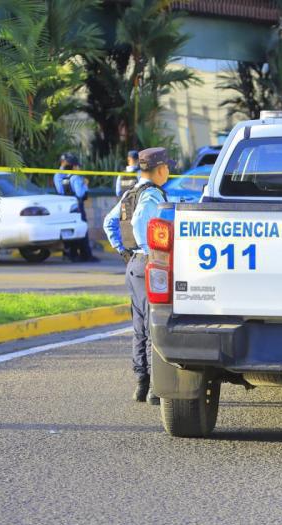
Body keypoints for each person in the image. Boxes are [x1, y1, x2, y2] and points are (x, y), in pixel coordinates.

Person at [103, 147, 171, 404]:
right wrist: (148, 249)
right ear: (160, 169)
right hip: (147, 263)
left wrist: (124, 250)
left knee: (139, 326)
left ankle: (141, 383)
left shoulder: (130, 193)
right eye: (168, 167)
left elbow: (109, 223)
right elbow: (140, 221)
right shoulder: (152, 195)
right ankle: (155, 388)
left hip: (133, 265)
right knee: (154, 324)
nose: (169, 172)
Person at [54, 153, 96, 262]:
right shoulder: (75, 177)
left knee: (69, 231)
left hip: (65, 206)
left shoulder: (58, 176)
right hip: (77, 206)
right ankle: (86, 255)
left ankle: (69, 254)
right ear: (73, 165)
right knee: (82, 230)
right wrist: (85, 184)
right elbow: (81, 194)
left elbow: (60, 191)